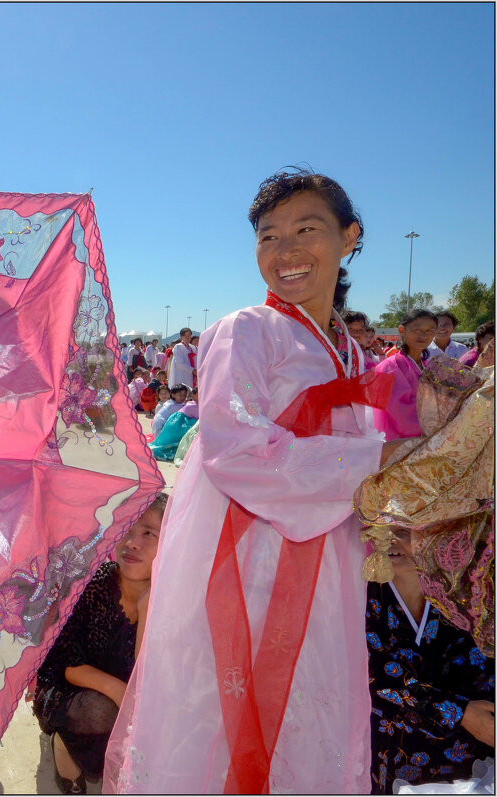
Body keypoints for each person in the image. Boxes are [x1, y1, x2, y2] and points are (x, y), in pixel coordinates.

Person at [106, 169, 412, 793]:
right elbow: (237, 448)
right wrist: (380, 462)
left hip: (326, 562)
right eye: (268, 236)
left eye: (308, 229)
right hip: (244, 559)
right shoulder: (246, 331)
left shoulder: (351, 355)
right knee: (222, 717)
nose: (286, 251)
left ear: (350, 237)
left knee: (312, 704)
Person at [33, 494, 166, 793]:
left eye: (149, 534)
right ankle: (65, 757)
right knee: (99, 712)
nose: (132, 542)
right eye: (128, 529)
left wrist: (145, 609)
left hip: (124, 696)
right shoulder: (94, 585)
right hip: (71, 689)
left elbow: (146, 677)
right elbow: (67, 665)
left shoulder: (168, 600)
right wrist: (121, 694)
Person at [365, 527, 494, 793]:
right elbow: (376, 675)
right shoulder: (360, 595)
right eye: (382, 529)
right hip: (391, 761)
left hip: (468, 764)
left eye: (403, 530)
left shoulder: (469, 590)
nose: (390, 538)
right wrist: (458, 712)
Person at [372, 308, 437, 440]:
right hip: (398, 441)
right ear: (402, 330)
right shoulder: (390, 367)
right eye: (417, 330)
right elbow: (400, 414)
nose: (424, 336)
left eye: (429, 331)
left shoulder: (425, 364)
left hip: (422, 437)